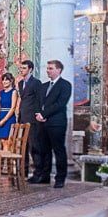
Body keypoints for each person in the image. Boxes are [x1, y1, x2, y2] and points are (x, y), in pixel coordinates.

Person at [30, 59, 73, 188]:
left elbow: (60, 104)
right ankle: (44, 176)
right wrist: (38, 113)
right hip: (42, 123)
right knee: (44, 150)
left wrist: (44, 114)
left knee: (58, 150)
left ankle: (60, 178)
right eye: (47, 68)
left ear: (58, 70)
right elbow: (37, 102)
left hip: (56, 123)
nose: (47, 70)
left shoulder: (65, 85)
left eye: (50, 68)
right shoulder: (43, 86)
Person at [15, 59, 42, 177]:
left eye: (24, 68)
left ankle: (38, 172)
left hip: (32, 119)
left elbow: (39, 100)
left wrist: (38, 114)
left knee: (34, 146)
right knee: (23, 146)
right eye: (21, 68)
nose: (21, 70)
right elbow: (23, 100)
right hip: (22, 118)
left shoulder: (36, 83)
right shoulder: (20, 83)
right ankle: (23, 171)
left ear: (30, 69)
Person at [0, 72, 17, 142]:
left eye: (6, 80)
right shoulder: (1, 92)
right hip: (1, 116)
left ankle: (7, 153)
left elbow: (13, 108)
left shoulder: (13, 92)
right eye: (3, 80)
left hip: (9, 117)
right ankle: (3, 152)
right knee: (2, 141)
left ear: (11, 81)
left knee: (8, 140)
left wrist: (4, 120)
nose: (4, 82)